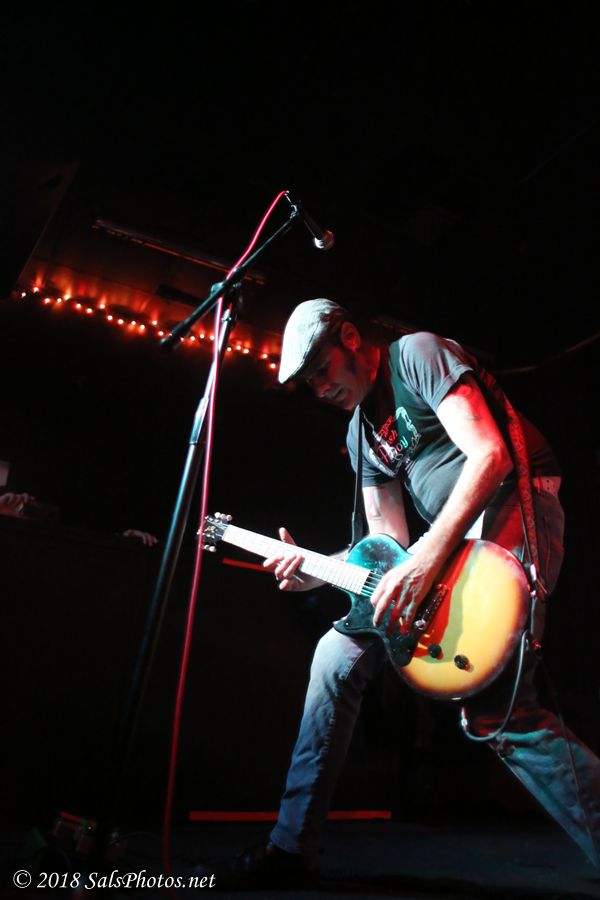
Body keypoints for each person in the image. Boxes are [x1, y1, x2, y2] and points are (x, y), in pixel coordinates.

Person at [214, 298, 600, 888]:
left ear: (349, 337)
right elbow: (386, 546)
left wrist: (423, 559)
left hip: (515, 502)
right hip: (445, 546)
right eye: (309, 382)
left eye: (321, 369)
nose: (319, 388)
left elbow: (491, 456)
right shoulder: (360, 435)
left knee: (498, 706)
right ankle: (290, 847)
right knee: (334, 655)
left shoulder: (416, 355)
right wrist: (316, 569)